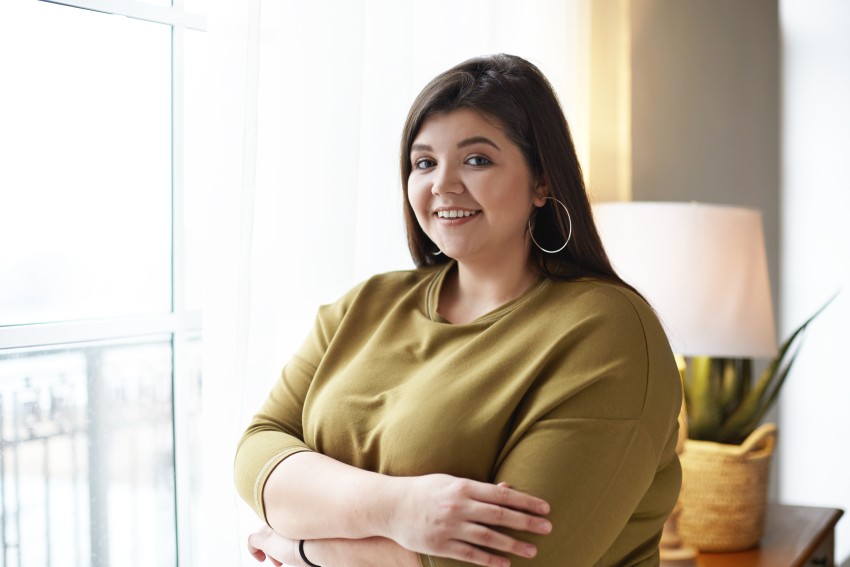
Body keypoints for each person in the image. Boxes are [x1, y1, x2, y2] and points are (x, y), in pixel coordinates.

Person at [234, 53, 682, 567]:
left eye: (476, 160)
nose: (442, 184)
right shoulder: (365, 304)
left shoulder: (607, 330)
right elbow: (258, 450)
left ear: (542, 181)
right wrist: (397, 510)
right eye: (424, 162)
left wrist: (303, 548)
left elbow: (513, 557)